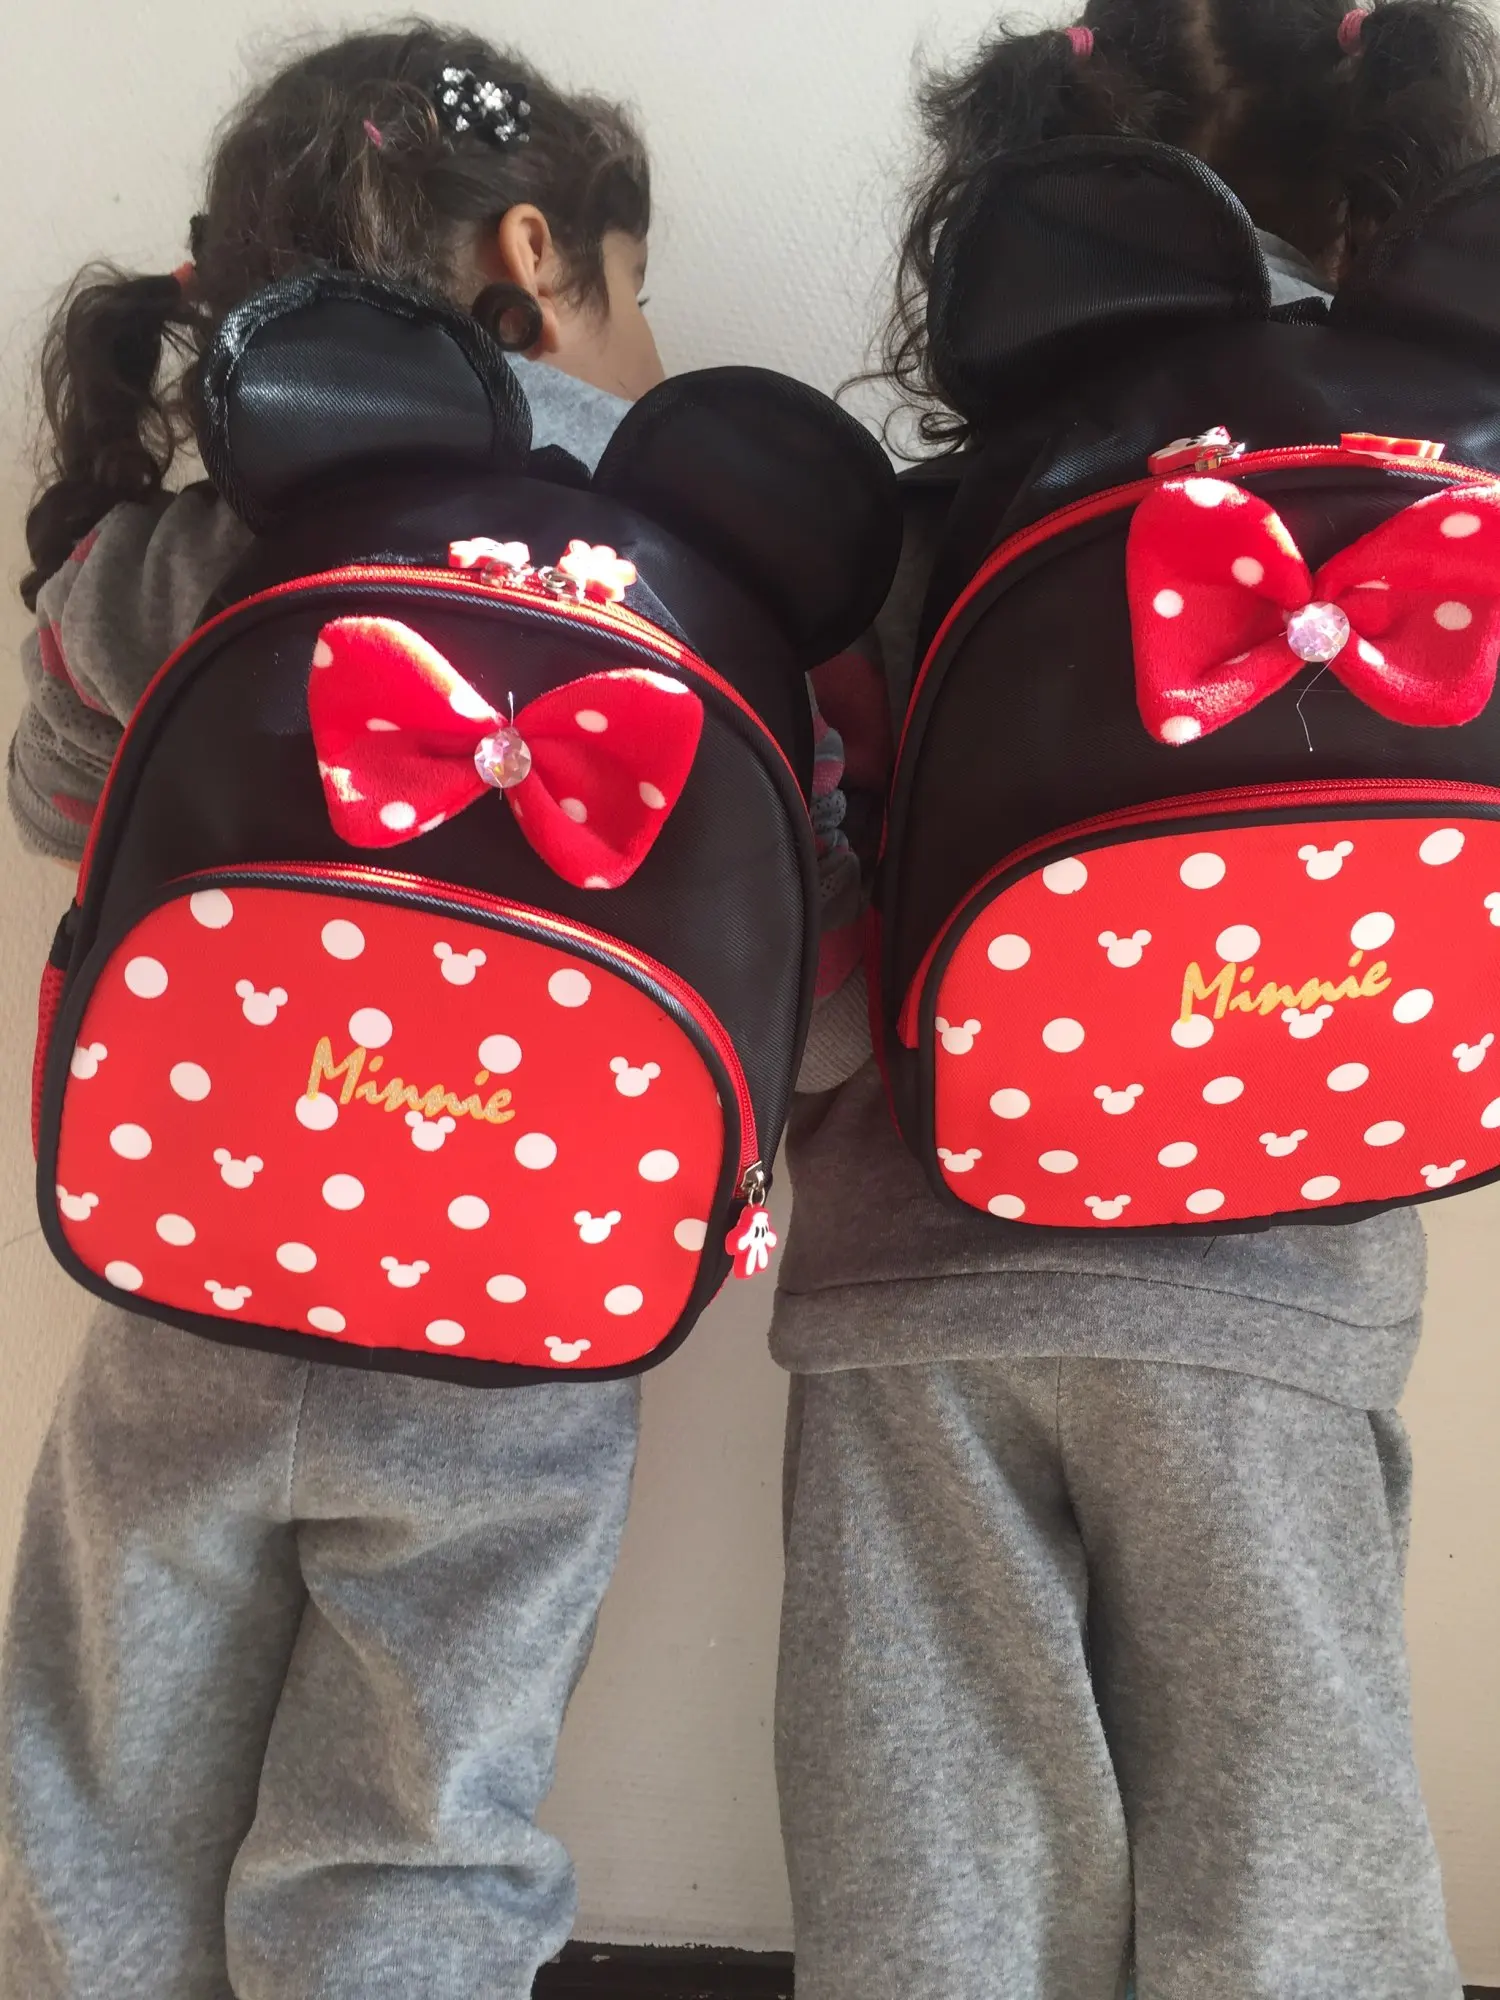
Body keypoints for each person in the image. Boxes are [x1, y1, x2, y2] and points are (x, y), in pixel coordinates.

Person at [773, 5, 1500, 1997]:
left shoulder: (920, 530)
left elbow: (807, 983)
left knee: (934, 1858)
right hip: (1276, 1294)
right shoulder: (1456, 511)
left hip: (913, 1284)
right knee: (1288, 1851)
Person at [1, 25, 664, 1998]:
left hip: (186, 1265)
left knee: (103, 1775)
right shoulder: (688, 555)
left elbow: (55, 804)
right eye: (635, 288)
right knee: (422, 1815)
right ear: (535, 255)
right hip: (522, 1313)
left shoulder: (175, 560)